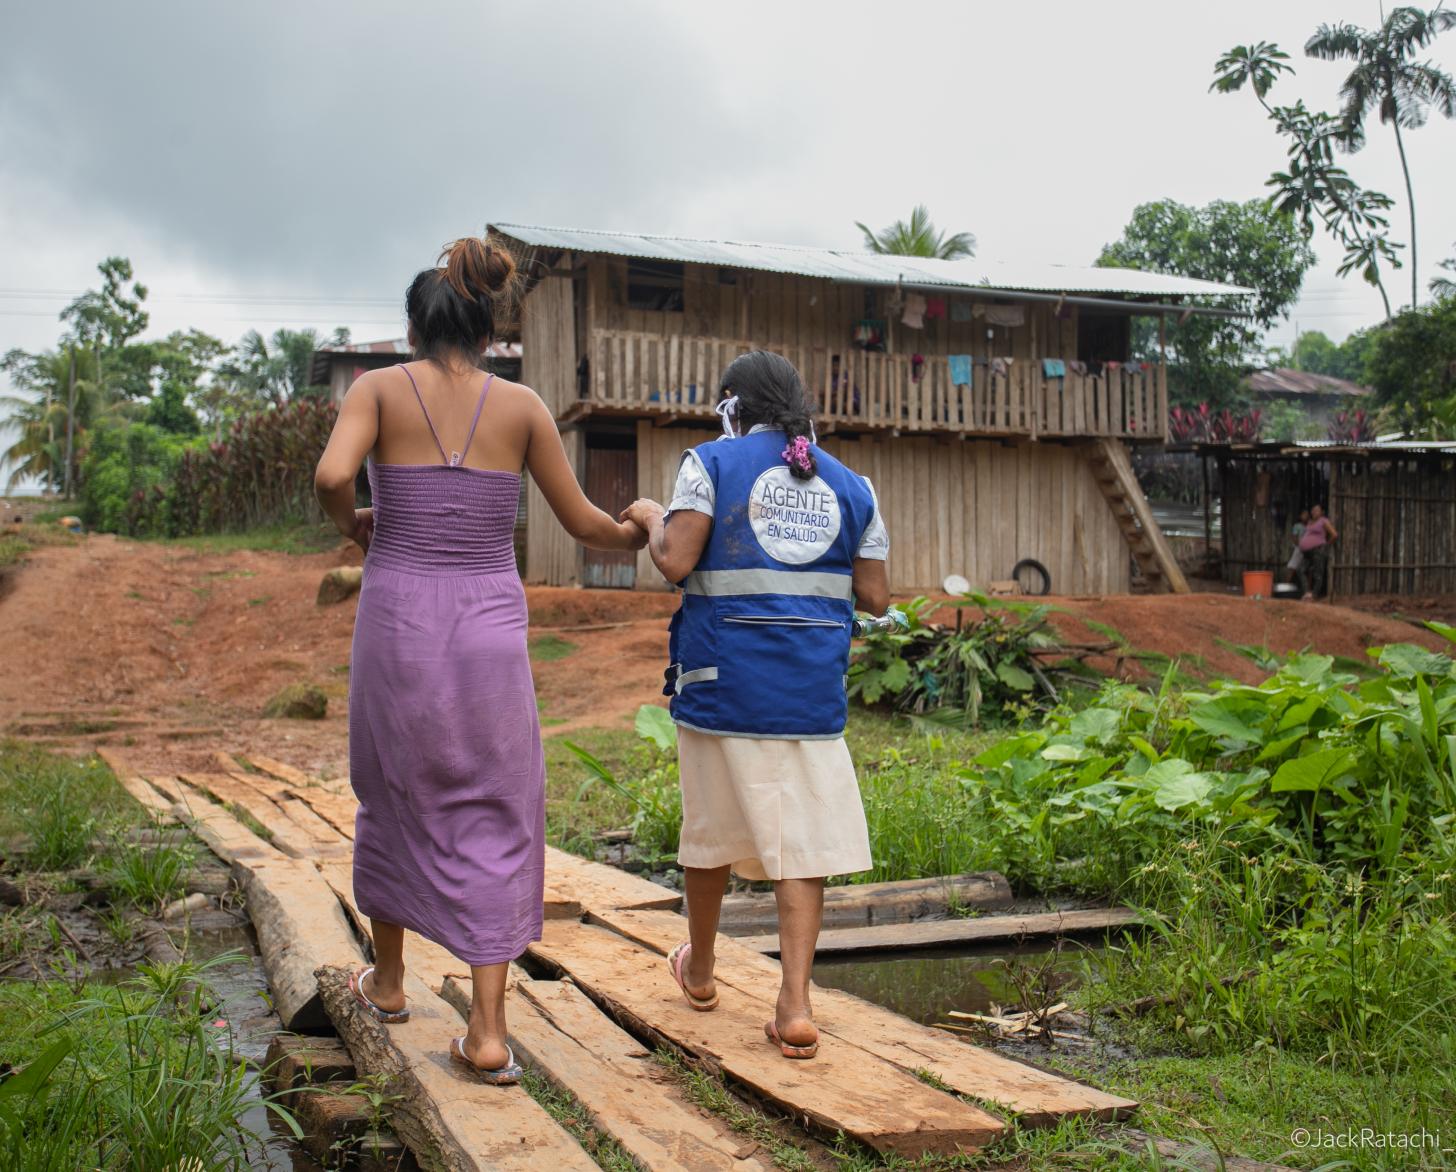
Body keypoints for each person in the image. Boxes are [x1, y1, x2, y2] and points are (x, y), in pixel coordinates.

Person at [314, 235, 645, 1083]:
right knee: (495, 801)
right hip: (490, 627)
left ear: (418, 326)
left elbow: (330, 476)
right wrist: (640, 522)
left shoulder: (379, 390)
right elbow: (588, 529)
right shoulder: (525, 407)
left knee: (390, 784)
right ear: (489, 324)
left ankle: (389, 984)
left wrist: (354, 524)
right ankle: (489, 1033)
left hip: (398, 620)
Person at [621, 350, 890, 1060]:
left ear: (734, 404)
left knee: (709, 833)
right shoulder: (853, 485)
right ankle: (795, 1006)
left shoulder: (709, 464)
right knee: (802, 847)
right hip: (808, 693)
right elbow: (877, 597)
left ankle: (702, 970)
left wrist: (653, 515)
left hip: (721, 682)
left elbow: (675, 559)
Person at [1297, 503, 1338, 600]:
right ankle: (1307, 592)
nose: (1314, 512)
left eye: (1317, 510)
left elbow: (1334, 535)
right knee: (1300, 570)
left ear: (1321, 512)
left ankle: (1314, 595)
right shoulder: (1310, 522)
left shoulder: (1323, 521)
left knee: (1318, 574)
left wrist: (1325, 546)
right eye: (1313, 510)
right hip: (1306, 552)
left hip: (1317, 550)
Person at [1285, 508, 1310, 583]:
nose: (1305, 516)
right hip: (1299, 549)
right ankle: (1285, 586)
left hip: (1309, 550)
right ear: (1300, 516)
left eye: (1307, 515)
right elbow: (1294, 538)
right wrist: (1300, 546)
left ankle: (1308, 590)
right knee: (1292, 567)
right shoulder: (1297, 526)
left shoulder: (1311, 526)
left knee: (1308, 570)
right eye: (1304, 514)